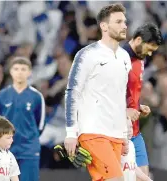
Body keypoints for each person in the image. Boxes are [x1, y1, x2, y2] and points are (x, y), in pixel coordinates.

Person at [64, 3, 133, 181]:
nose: (124, 26)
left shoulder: (125, 57)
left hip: (116, 133)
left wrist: (124, 132)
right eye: (118, 22)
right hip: (93, 130)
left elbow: (120, 97)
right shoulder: (87, 55)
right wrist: (71, 133)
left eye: (124, 22)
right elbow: (72, 92)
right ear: (103, 26)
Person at [122, 23, 163, 179]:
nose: (150, 54)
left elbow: (128, 94)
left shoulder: (140, 60)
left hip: (135, 132)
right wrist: (124, 111)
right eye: (149, 49)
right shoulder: (117, 60)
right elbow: (104, 96)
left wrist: (137, 107)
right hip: (118, 133)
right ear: (138, 40)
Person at [0, 57, 45, 181]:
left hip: (28, 149)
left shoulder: (37, 96)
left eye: (23, 69)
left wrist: (29, 138)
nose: (20, 72)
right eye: (16, 69)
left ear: (29, 72)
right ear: (10, 71)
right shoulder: (2, 95)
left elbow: (40, 124)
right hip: (6, 149)